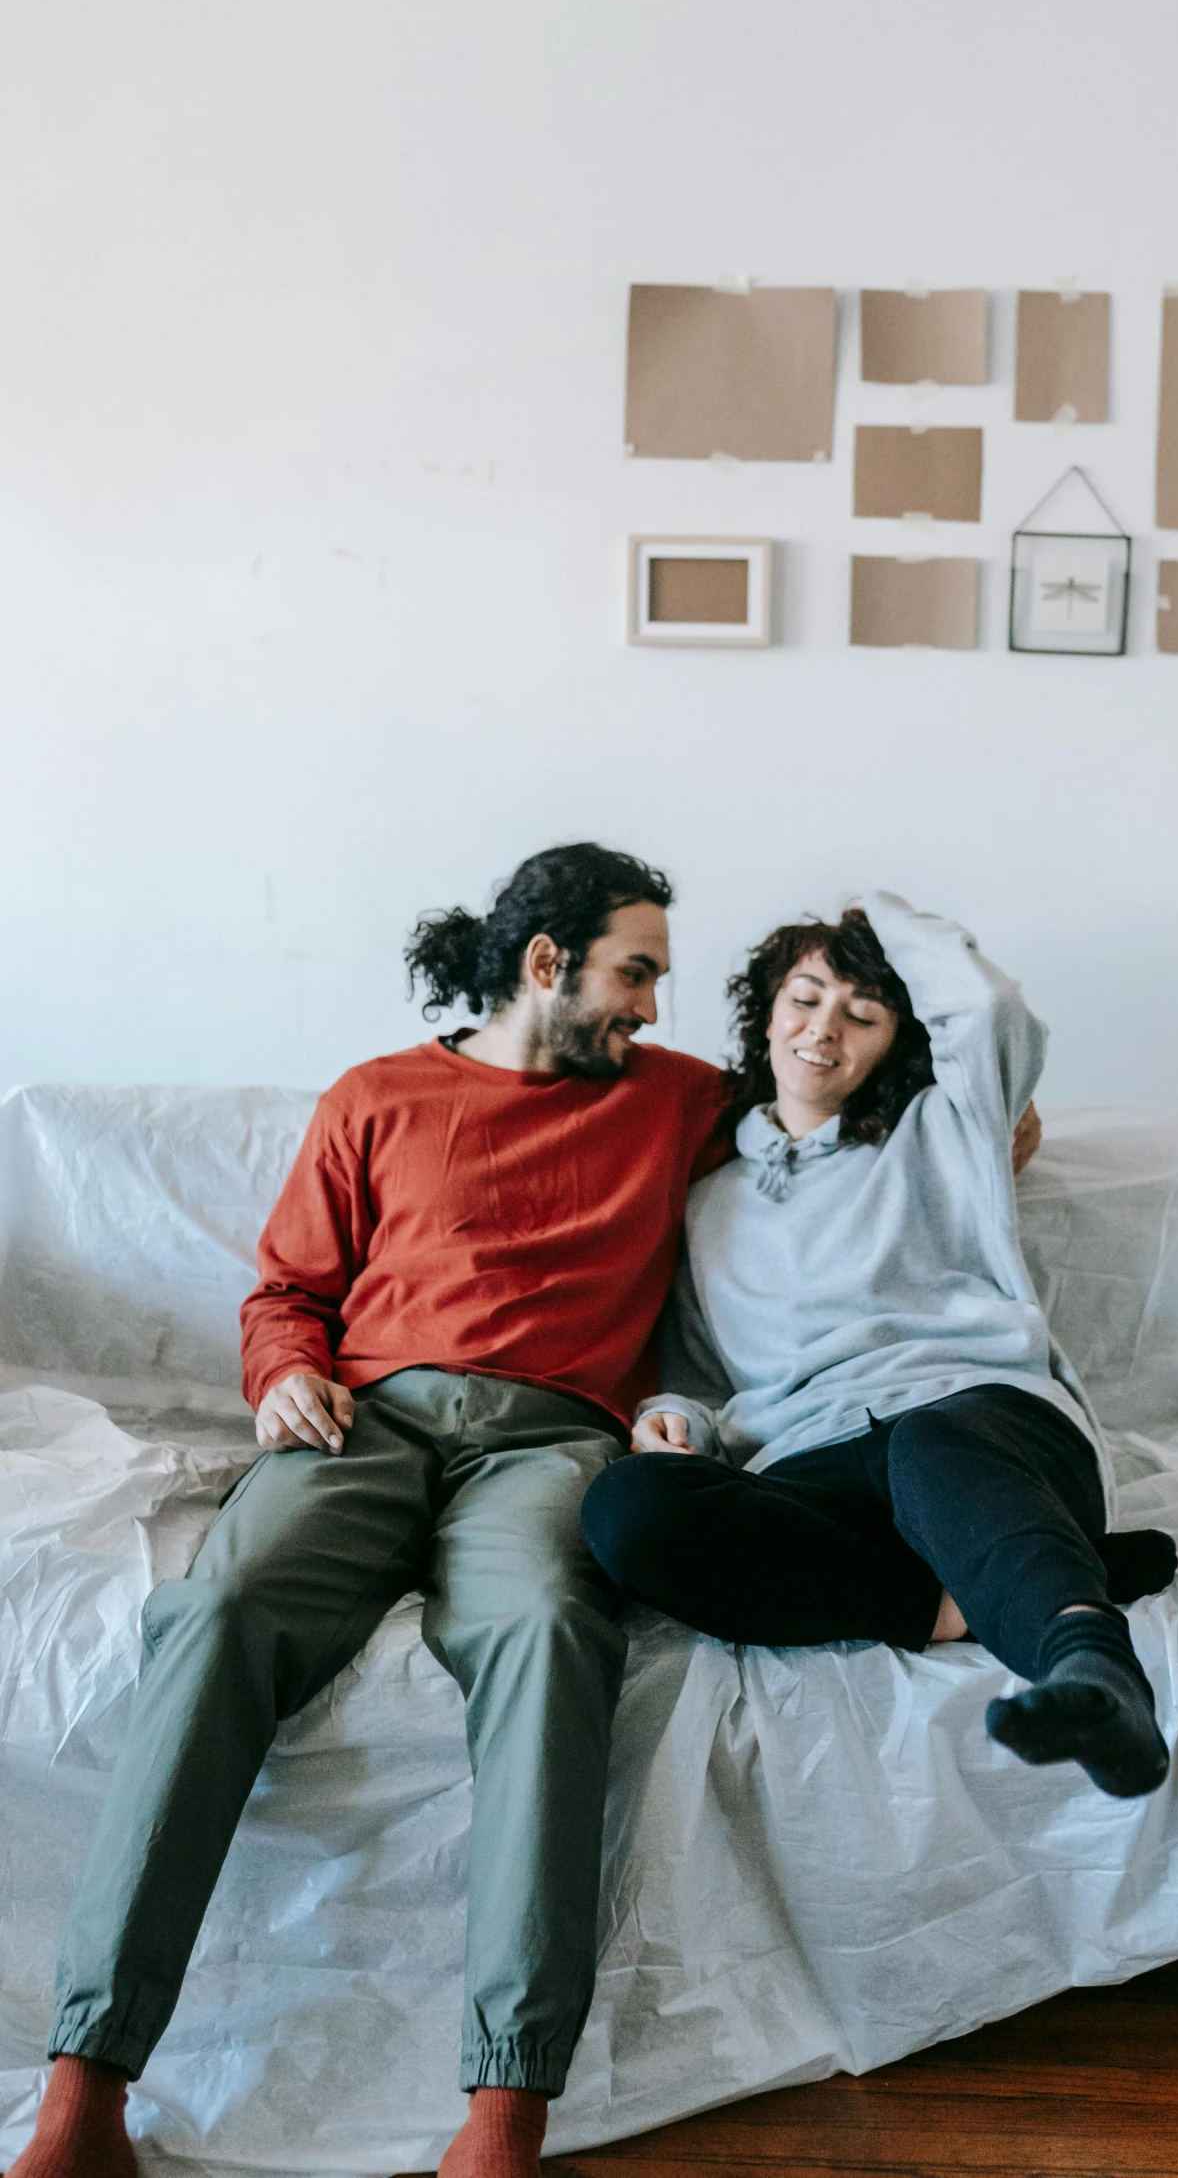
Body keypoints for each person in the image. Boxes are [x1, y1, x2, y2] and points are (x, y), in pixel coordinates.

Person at [10, 843, 733, 2178]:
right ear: (543, 962)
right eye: (633, 972)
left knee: (550, 1628)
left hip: (552, 1438)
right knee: (219, 1606)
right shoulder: (378, 1094)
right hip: (365, 1419)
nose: (647, 1006)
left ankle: (502, 2109)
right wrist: (283, 1374)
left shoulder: (678, 1100)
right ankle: (86, 2089)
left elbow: (850, 1108)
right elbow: (287, 1291)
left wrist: (990, 1110)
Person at [582, 892, 1175, 1801]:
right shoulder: (708, 1200)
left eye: (861, 1013)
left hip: (974, 1420)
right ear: (766, 1011)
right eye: (805, 997)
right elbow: (701, 1377)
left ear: (895, 1039)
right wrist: (672, 1422)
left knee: (928, 1438)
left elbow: (989, 1014)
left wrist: (878, 917)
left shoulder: (949, 1131)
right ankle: (989, 1590)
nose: (824, 1029)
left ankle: (1092, 1669)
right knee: (627, 1507)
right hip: (812, 1464)